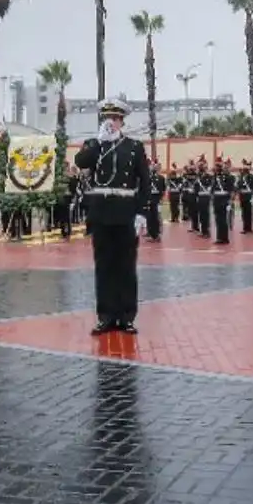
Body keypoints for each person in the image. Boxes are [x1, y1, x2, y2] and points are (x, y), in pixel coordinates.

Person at [74, 99, 152, 335]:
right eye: (108, 118)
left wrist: (142, 212)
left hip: (126, 211)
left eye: (116, 118)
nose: (111, 122)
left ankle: (126, 316)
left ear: (122, 121)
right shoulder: (93, 144)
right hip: (101, 213)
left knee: (126, 267)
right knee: (104, 266)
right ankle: (106, 316)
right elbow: (81, 162)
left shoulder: (134, 147)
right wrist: (99, 143)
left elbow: (145, 182)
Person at [144, 163, 166, 242]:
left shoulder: (160, 178)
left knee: (154, 217)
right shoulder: (149, 178)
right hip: (152, 200)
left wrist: (161, 199)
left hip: (155, 200)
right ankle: (153, 233)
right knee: (152, 217)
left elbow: (163, 190)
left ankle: (155, 234)